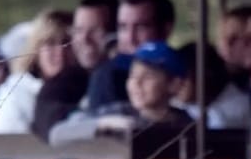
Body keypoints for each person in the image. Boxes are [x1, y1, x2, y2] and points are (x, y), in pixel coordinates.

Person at [49, 41, 193, 145]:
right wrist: (104, 123)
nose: (136, 83)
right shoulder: (117, 112)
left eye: (148, 76)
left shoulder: (187, 125)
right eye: (132, 75)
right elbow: (57, 133)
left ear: (174, 84)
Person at [33, 0, 119, 140]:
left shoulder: (138, 75)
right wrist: (97, 123)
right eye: (78, 30)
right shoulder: (64, 82)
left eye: (95, 31)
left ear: (116, 33)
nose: (84, 39)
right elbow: (50, 122)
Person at [0, 10, 75, 134]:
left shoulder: (91, 89)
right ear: (36, 49)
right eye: (50, 43)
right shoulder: (14, 96)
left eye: (67, 43)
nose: (60, 52)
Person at [86, 0, 175, 111]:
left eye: (141, 27)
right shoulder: (108, 77)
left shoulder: (186, 70)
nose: (130, 38)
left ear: (166, 29)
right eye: (123, 27)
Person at [172, 43, 251, 128]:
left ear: (206, 74)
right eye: (173, 75)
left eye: (183, 76)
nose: (177, 83)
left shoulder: (240, 107)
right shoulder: (172, 107)